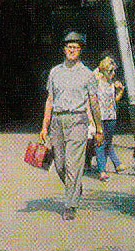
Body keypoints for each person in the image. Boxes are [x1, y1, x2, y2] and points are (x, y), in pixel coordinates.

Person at [39, 31, 103, 220]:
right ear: (64, 49)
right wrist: (45, 126)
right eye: (69, 47)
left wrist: (99, 128)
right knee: (59, 164)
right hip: (57, 121)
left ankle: (70, 205)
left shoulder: (88, 74)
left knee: (73, 163)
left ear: (80, 50)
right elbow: (50, 100)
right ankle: (75, 187)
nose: (72, 50)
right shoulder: (55, 72)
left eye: (75, 47)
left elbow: (94, 102)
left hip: (78, 120)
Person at [94, 55, 125, 180]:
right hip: (100, 116)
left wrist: (120, 91)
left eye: (113, 71)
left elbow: (114, 100)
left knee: (108, 141)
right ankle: (102, 170)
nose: (112, 73)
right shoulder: (97, 82)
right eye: (110, 71)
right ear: (103, 71)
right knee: (100, 143)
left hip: (111, 116)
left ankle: (116, 164)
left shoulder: (112, 83)